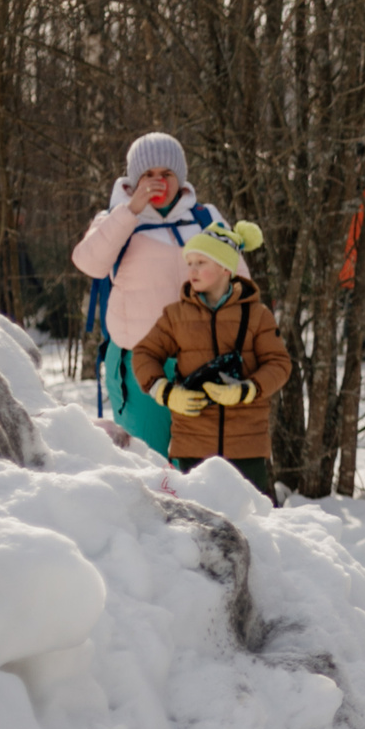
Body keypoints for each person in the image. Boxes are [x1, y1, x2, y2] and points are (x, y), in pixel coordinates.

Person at [71, 134, 235, 456]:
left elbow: (239, 279)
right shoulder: (115, 218)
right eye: (148, 174)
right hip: (141, 366)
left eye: (167, 174)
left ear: (180, 177)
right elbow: (89, 262)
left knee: (203, 468)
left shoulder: (205, 219)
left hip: (202, 361)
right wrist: (131, 210)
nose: (157, 182)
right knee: (149, 462)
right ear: (135, 180)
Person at [133, 219, 292, 502]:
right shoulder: (176, 315)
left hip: (247, 445)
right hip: (192, 443)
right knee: (196, 519)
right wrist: (166, 393)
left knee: (251, 517)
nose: (191, 270)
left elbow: (279, 364)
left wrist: (248, 390)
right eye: (189, 263)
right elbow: (144, 354)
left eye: (201, 262)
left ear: (225, 268)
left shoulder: (257, 316)